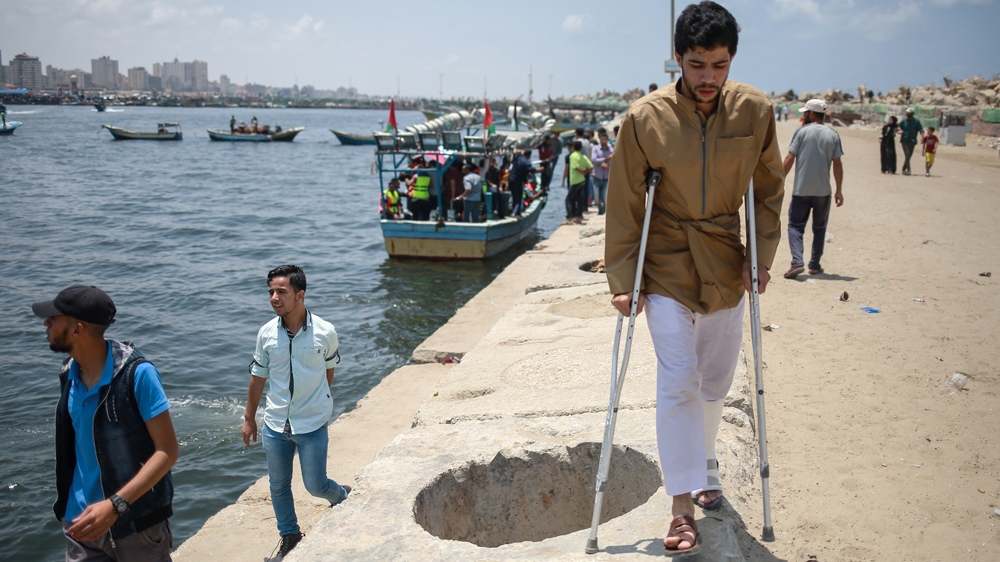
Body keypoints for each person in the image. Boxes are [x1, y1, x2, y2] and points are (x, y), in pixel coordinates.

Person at [605, 1, 783, 554]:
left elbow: (768, 189)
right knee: (679, 379)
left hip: (726, 261)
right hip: (666, 261)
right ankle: (681, 505)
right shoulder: (645, 118)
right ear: (678, 58)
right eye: (698, 64)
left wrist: (762, 256)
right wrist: (623, 276)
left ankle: (704, 463)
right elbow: (625, 201)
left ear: (732, 60)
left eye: (720, 65)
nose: (709, 77)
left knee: (714, 382)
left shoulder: (755, 111)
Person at [33, 285, 178, 561]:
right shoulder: (69, 372)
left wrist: (115, 506)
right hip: (81, 523)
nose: (45, 323)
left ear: (77, 330)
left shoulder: (139, 374)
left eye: (53, 318)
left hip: (136, 525)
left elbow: (167, 451)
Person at [243, 266, 349, 560]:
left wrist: (316, 400)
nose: (274, 298)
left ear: (300, 295)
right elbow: (258, 377)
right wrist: (249, 418)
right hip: (275, 424)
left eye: (281, 292)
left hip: (312, 424)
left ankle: (342, 496)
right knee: (278, 487)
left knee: (316, 486)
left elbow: (328, 371)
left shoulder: (325, 332)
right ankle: (290, 536)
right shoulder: (266, 333)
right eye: (271, 292)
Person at [782, 98, 844, 279]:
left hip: (801, 189)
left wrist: (779, 179)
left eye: (805, 113)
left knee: (795, 226)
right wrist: (839, 190)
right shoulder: (833, 134)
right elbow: (838, 164)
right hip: (823, 191)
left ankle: (797, 261)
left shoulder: (801, 132)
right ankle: (814, 265)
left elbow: (790, 158)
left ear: (810, 113)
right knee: (820, 228)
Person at [565, 141, 592, 224]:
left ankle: (569, 218)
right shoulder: (583, 156)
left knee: (568, 199)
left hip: (575, 181)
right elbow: (591, 166)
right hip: (582, 180)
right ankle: (578, 217)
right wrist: (585, 171)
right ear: (581, 148)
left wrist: (582, 172)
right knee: (579, 199)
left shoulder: (572, 156)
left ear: (573, 147)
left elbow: (575, 167)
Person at [590, 132, 614, 215]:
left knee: (605, 197)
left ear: (607, 140)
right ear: (600, 139)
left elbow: (615, 160)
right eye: (602, 139)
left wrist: (607, 167)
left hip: (607, 177)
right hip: (597, 176)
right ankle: (600, 209)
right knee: (596, 198)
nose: (604, 141)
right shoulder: (595, 148)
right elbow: (594, 160)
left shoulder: (611, 149)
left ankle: (603, 212)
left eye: (605, 139)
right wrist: (606, 159)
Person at [508, 150, 537, 216]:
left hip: (511, 179)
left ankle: (514, 211)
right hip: (517, 181)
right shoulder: (526, 161)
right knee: (518, 197)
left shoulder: (517, 158)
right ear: (529, 155)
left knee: (514, 196)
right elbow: (530, 169)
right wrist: (537, 169)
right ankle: (515, 213)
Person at [898, 107, 924, 176]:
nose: (907, 114)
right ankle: (908, 170)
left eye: (908, 113)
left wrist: (922, 137)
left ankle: (904, 168)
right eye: (907, 113)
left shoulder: (916, 122)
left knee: (909, 156)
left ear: (912, 113)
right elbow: (898, 127)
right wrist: (899, 131)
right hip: (904, 140)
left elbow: (921, 129)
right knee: (907, 154)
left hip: (912, 140)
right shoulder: (904, 121)